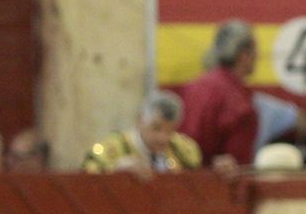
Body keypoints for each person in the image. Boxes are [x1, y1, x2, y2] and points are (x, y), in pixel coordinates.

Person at [180, 20, 260, 167]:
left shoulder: (194, 86)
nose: (258, 57)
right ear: (243, 55)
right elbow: (237, 161)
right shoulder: (238, 99)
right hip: (218, 182)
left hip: (184, 176)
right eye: (255, 51)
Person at [83, 91, 205, 173]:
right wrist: (115, 170)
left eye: (171, 130)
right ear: (140, 120)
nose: (163, 138)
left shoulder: (184, 150)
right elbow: (86, 181)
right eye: (156, 128)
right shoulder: (113, 149)